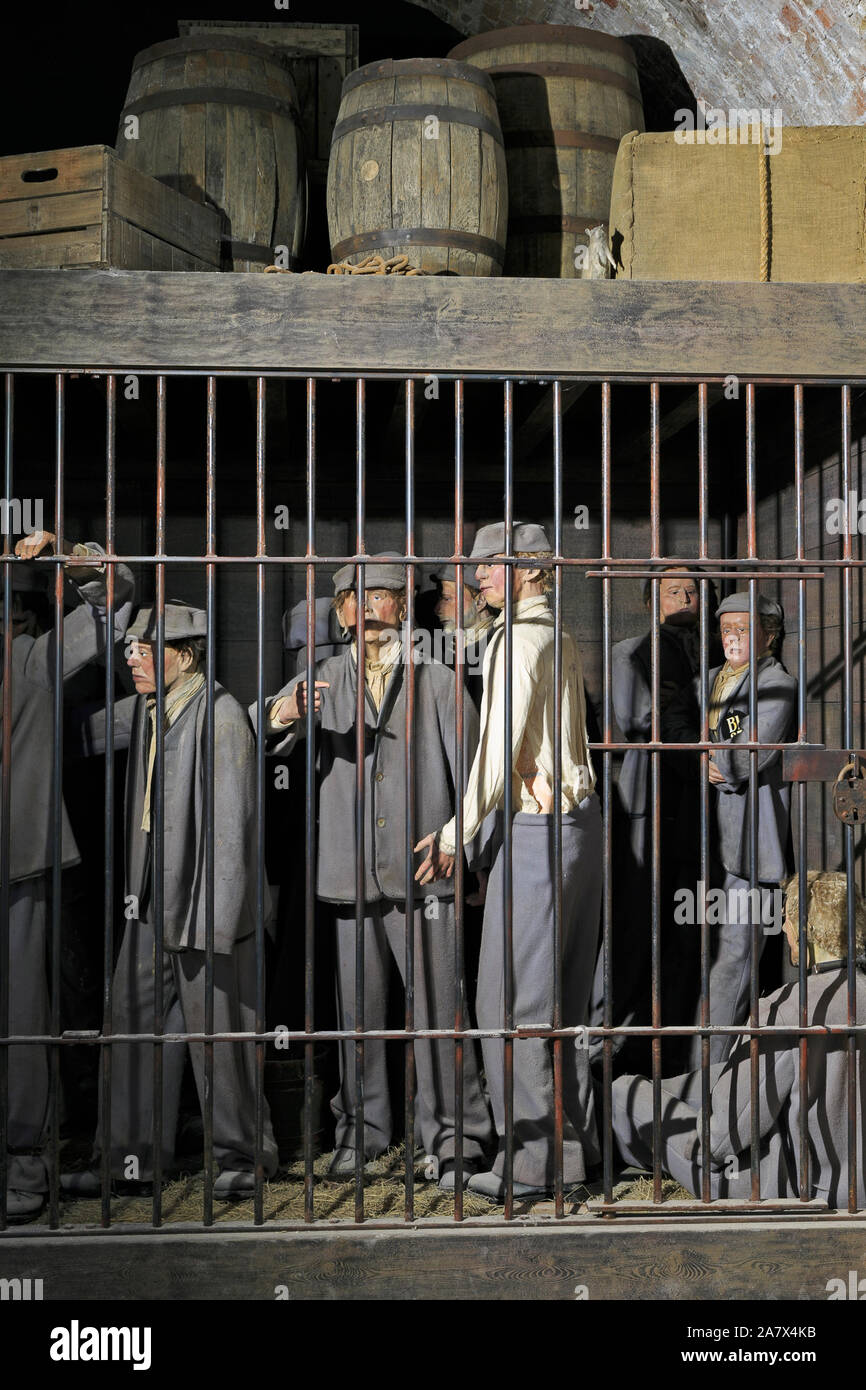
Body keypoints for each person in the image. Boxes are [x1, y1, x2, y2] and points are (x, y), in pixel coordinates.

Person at [258, 556, 493, 1190]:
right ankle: (361, 1131)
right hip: (349, 873)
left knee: (440, 1011)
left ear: (403, 607)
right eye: (352, 599)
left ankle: (456, 1137)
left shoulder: (438, 679)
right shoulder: (321, 679)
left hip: (425, 869)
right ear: (339, 613)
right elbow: (257, 726)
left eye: (380, 596)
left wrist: (468, 854)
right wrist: (284, 712)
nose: (365, 609)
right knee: (357, 1016)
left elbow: (479, 778)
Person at [64, 601, 278, 1199]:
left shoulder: (221, 714)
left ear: (184, 657)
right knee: (133, 1024)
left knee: (221, 1037)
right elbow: (84, 733)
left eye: (144, 650)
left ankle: (243, 1160)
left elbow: (233, 828)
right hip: (152, 899)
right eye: (130, 649)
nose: (132, 659)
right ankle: (128, 1163)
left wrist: (219, 921)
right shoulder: (150, 708)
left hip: (208, 905)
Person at [416, 522, 601, 1200]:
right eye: (478, 565)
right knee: (560, 1002)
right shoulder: (557, 633)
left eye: (493, 564)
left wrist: (455, 833)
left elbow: (497, 750)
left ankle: (531, 1167)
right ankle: (569, 1157)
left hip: (539, 834)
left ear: (529, 569)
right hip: (576, 828)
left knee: (510, 1001)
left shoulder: (518, 639)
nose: (478, 576)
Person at [2, 529, 135, 1222]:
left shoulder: (29, 661)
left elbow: (114, 601)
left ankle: (25, 1165)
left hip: (19, 863)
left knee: (23, 1019)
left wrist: (73, 560)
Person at [611, 870, 866, 1205]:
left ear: (806, 930)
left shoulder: (785, 1010)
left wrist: (689, 1137)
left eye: (787, 919)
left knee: (624, 1092)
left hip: (789, 1187)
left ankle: (638, 1150)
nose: (784, 929)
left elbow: (719, 1142)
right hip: (856, 1187)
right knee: (699, 1083)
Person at [664, 592, 797, 1066]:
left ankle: (710, 1075)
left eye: (743, 628)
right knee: (692, 954)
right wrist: (701, 753)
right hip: (703, 841)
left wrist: (710, 753)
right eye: (725, 629)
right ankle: (685, 1064)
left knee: (732, 963)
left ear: (768, 634)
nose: (732, 637)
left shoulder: (776, 683)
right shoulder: (709, 680)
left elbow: (746, 755)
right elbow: (672, 722)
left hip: (746, 847)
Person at [589, 567, 710, 1075]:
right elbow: (637, 718)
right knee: (634, 921)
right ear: (650, 602)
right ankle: (602, 1036)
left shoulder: (718, 652)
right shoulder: (630, 652)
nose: (684, 597)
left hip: (701, 803)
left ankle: (674, 1046)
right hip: (649, 797)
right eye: (672, 591)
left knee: (689, 927)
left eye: (692, 591)